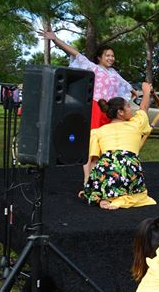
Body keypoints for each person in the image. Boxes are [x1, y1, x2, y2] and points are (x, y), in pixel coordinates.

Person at [42, 28, 134, 182]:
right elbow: (75, 53)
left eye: (112, 56)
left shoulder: (115, 74)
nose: (111, 58)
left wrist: (138, 92)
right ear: (99, 57)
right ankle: (88, 179)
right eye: (108, 55)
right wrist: (55, 39)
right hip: (96, 109)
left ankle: (103, 177)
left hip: (109, 112)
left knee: (106, 144)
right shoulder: (93, 68)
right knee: (92, 145)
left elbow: (127, 87)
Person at [82, 83, 156, 210]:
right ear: (120, 112)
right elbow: (144, 107)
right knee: (129, 175)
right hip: (129, 170)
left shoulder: (98, 131)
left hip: (105, 170)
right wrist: (146, 91)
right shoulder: (135, 124)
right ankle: (120, 198)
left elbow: (91, 161)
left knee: (103, 168)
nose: (131, 109)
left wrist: (88, 184)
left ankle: (102, 195)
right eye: (128, 106)